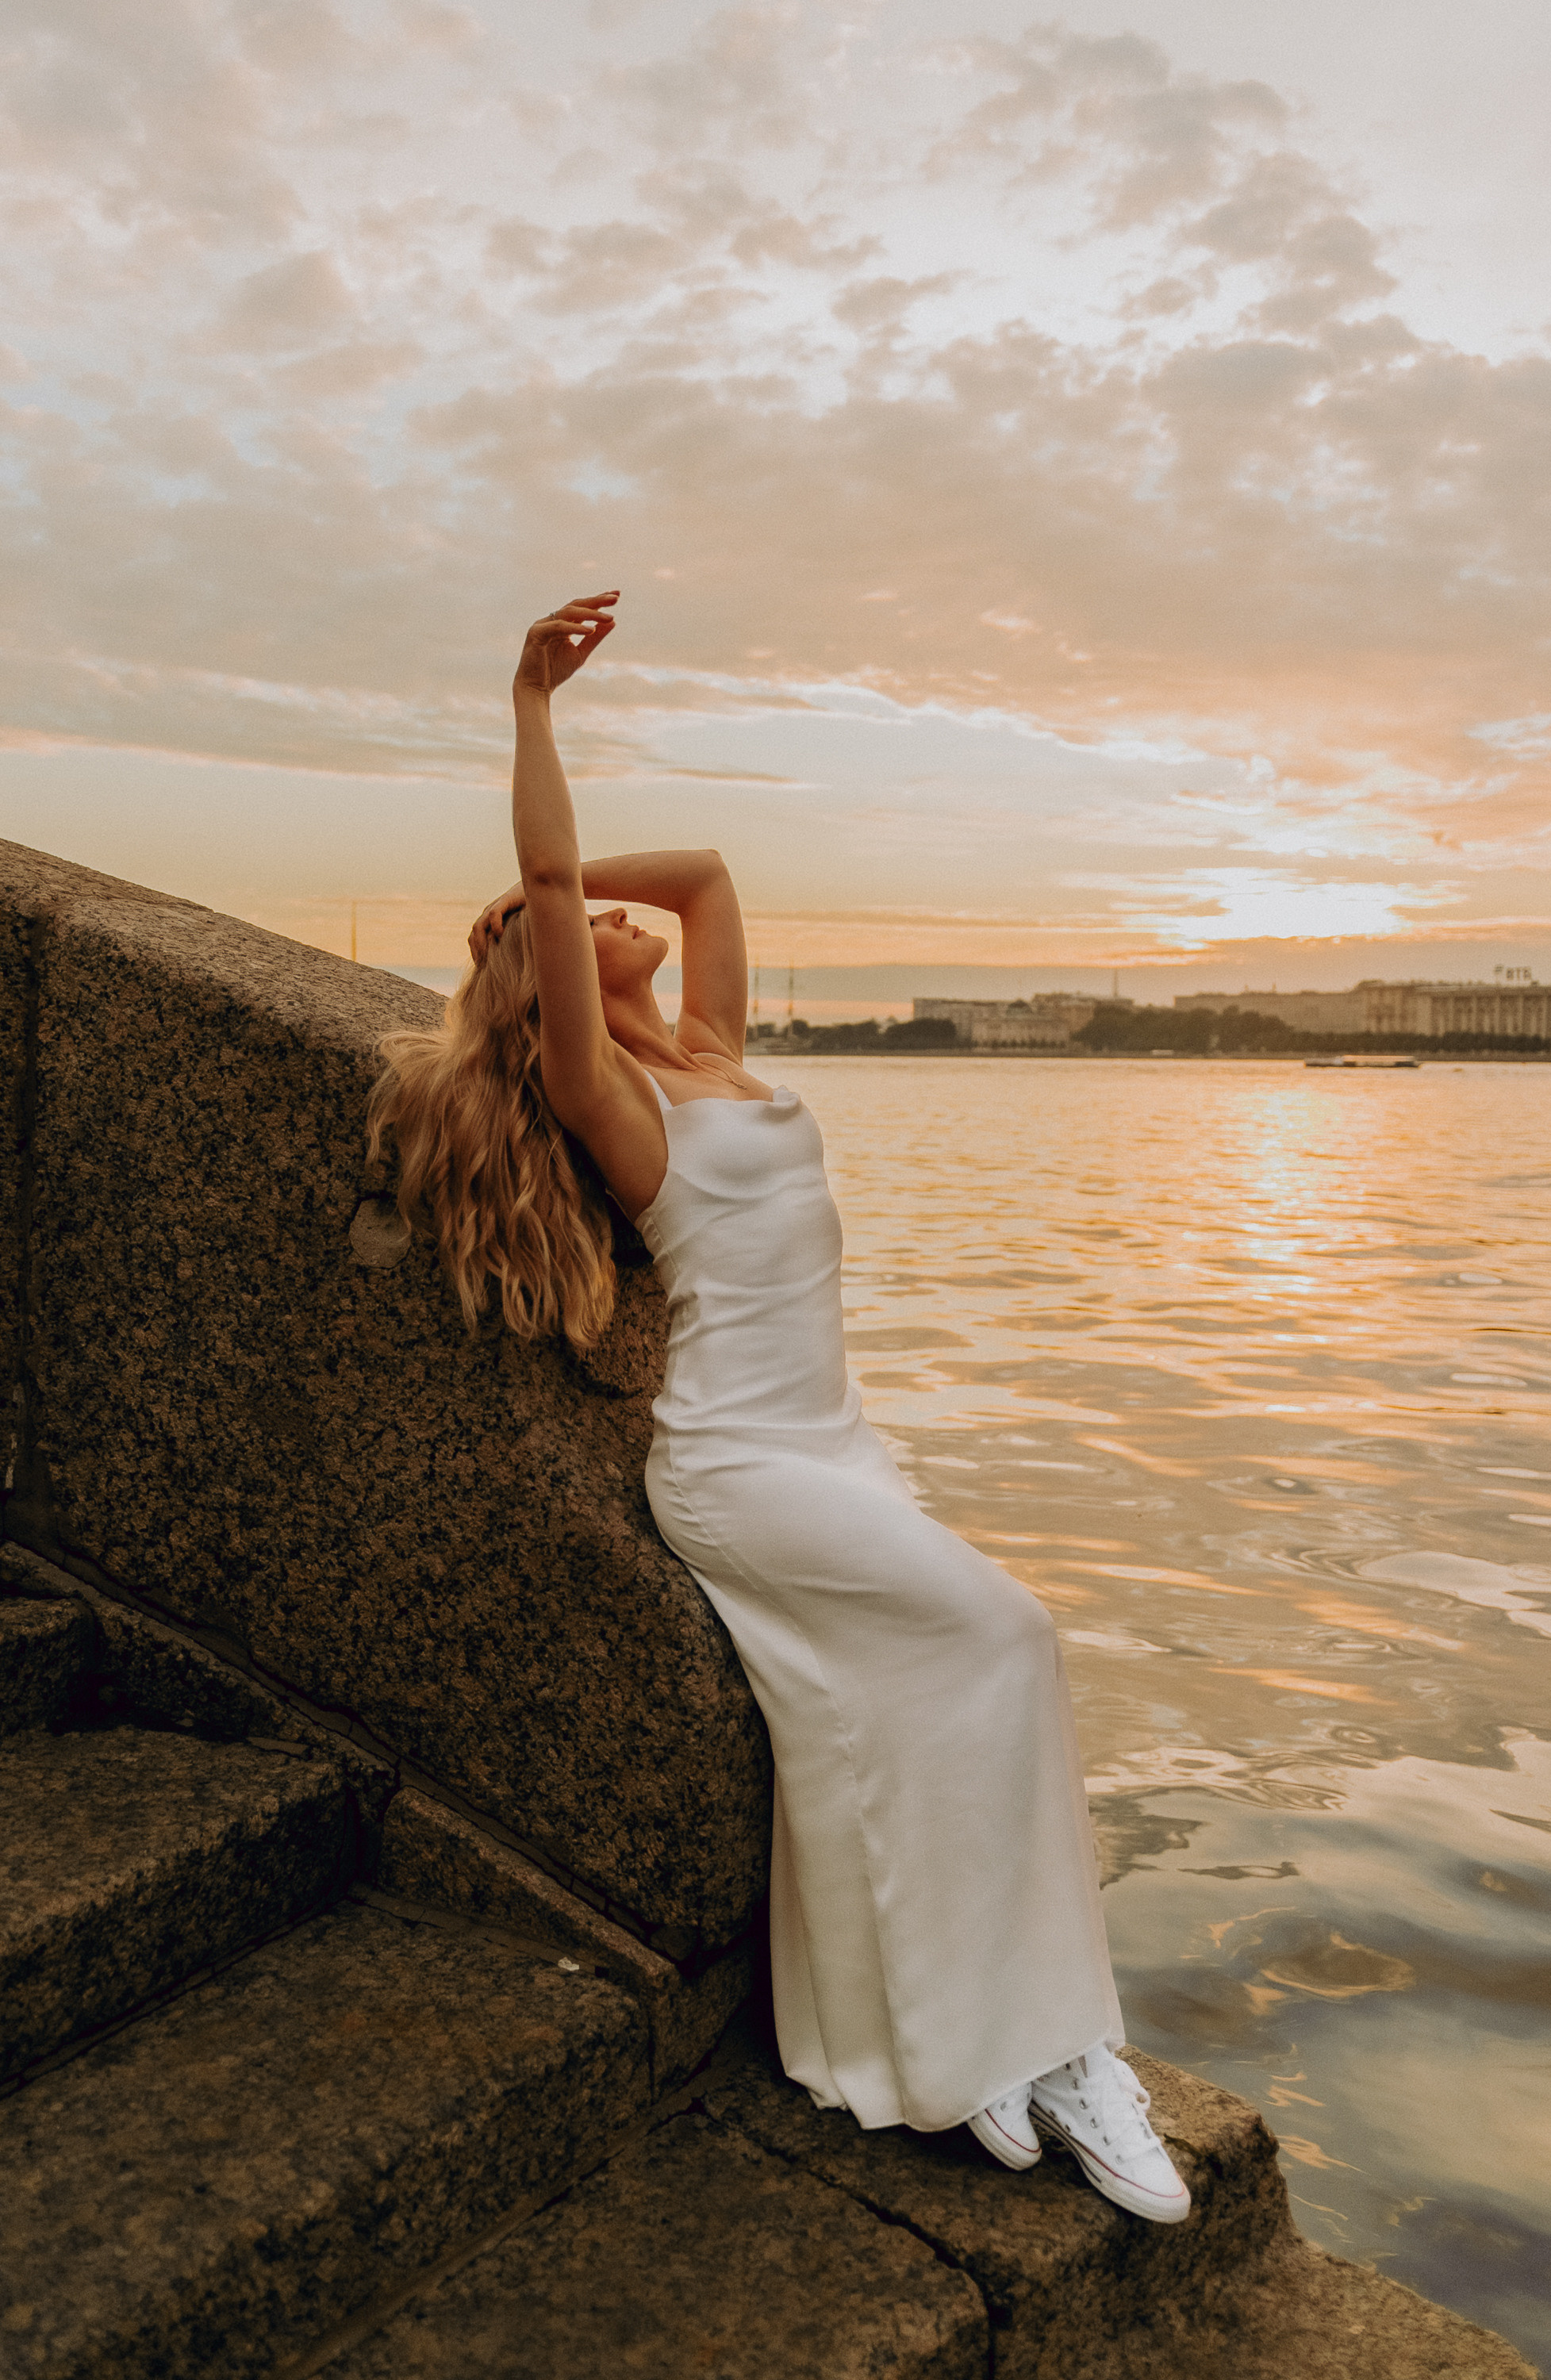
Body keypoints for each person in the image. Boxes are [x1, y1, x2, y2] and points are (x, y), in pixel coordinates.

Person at [367, 591, 1190, 2221]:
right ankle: (1069, 2050)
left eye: (599, 913)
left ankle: (977, 2044)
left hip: (838, 1442)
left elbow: (706, 875)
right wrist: (531, 712)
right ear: (549, 979)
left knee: (919, 1708)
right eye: (585, 926)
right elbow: (559, 885)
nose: (625, 919)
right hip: (741, 1464)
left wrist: (551, 899)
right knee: (1010, 1635)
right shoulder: (613, 1100)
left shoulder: (716, 1054)